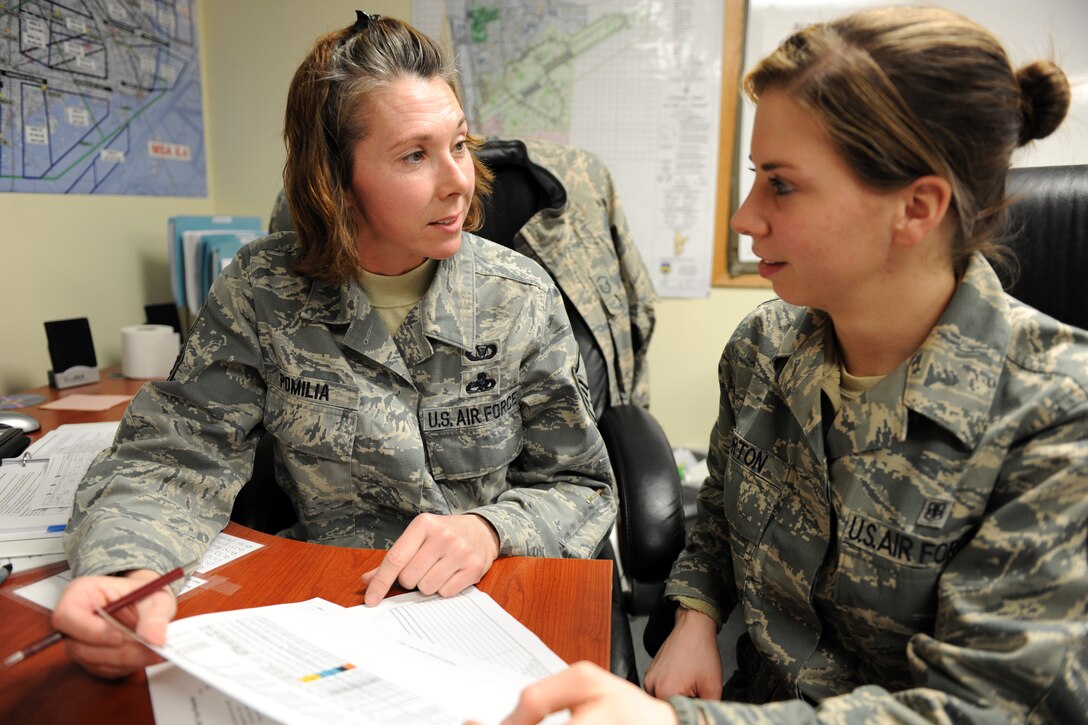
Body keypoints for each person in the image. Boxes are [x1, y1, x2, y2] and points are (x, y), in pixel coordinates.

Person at [490, 6, 1087, 724]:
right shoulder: (763, 348)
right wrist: (697, 615)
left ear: (917, 207)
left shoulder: (1056, 415)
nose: (744, 217)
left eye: (781, 184)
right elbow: (720, 510)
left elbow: (981, 708)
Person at [52, 11, 616, 679]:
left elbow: (579, 484)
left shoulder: (519, 294)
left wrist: (489, 529)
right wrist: (125, 568)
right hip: (323, 615)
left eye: (459, 144)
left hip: (485, 609)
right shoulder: (262, 290)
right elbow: (172, 457)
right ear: (336, 180)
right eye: (415, 154)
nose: (458, 181)